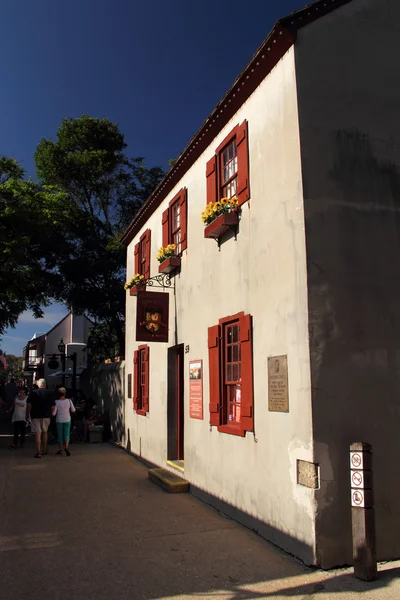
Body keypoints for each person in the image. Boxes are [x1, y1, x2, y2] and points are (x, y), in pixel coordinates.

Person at [27, 378, 56, 458]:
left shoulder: (33, 393)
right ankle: (44, 449)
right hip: (46, 415)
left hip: (35, 415)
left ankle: (38, 451)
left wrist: (27, 414)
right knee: (45, 432)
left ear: (38, 385)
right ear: (45, 385)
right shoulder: (50, 393)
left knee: (37, 433)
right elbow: (53, 406)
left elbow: (29, 405)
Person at [52, 387, 75, 457]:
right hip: (67, 419)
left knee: (60, 435)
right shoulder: (69, 401)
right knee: (67, 434)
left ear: (58, 394)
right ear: (65, 394)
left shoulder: (56, 402)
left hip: (59, 420)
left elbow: (53, 414)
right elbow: (73, 410)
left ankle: (60, 449)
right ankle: (67, 447)